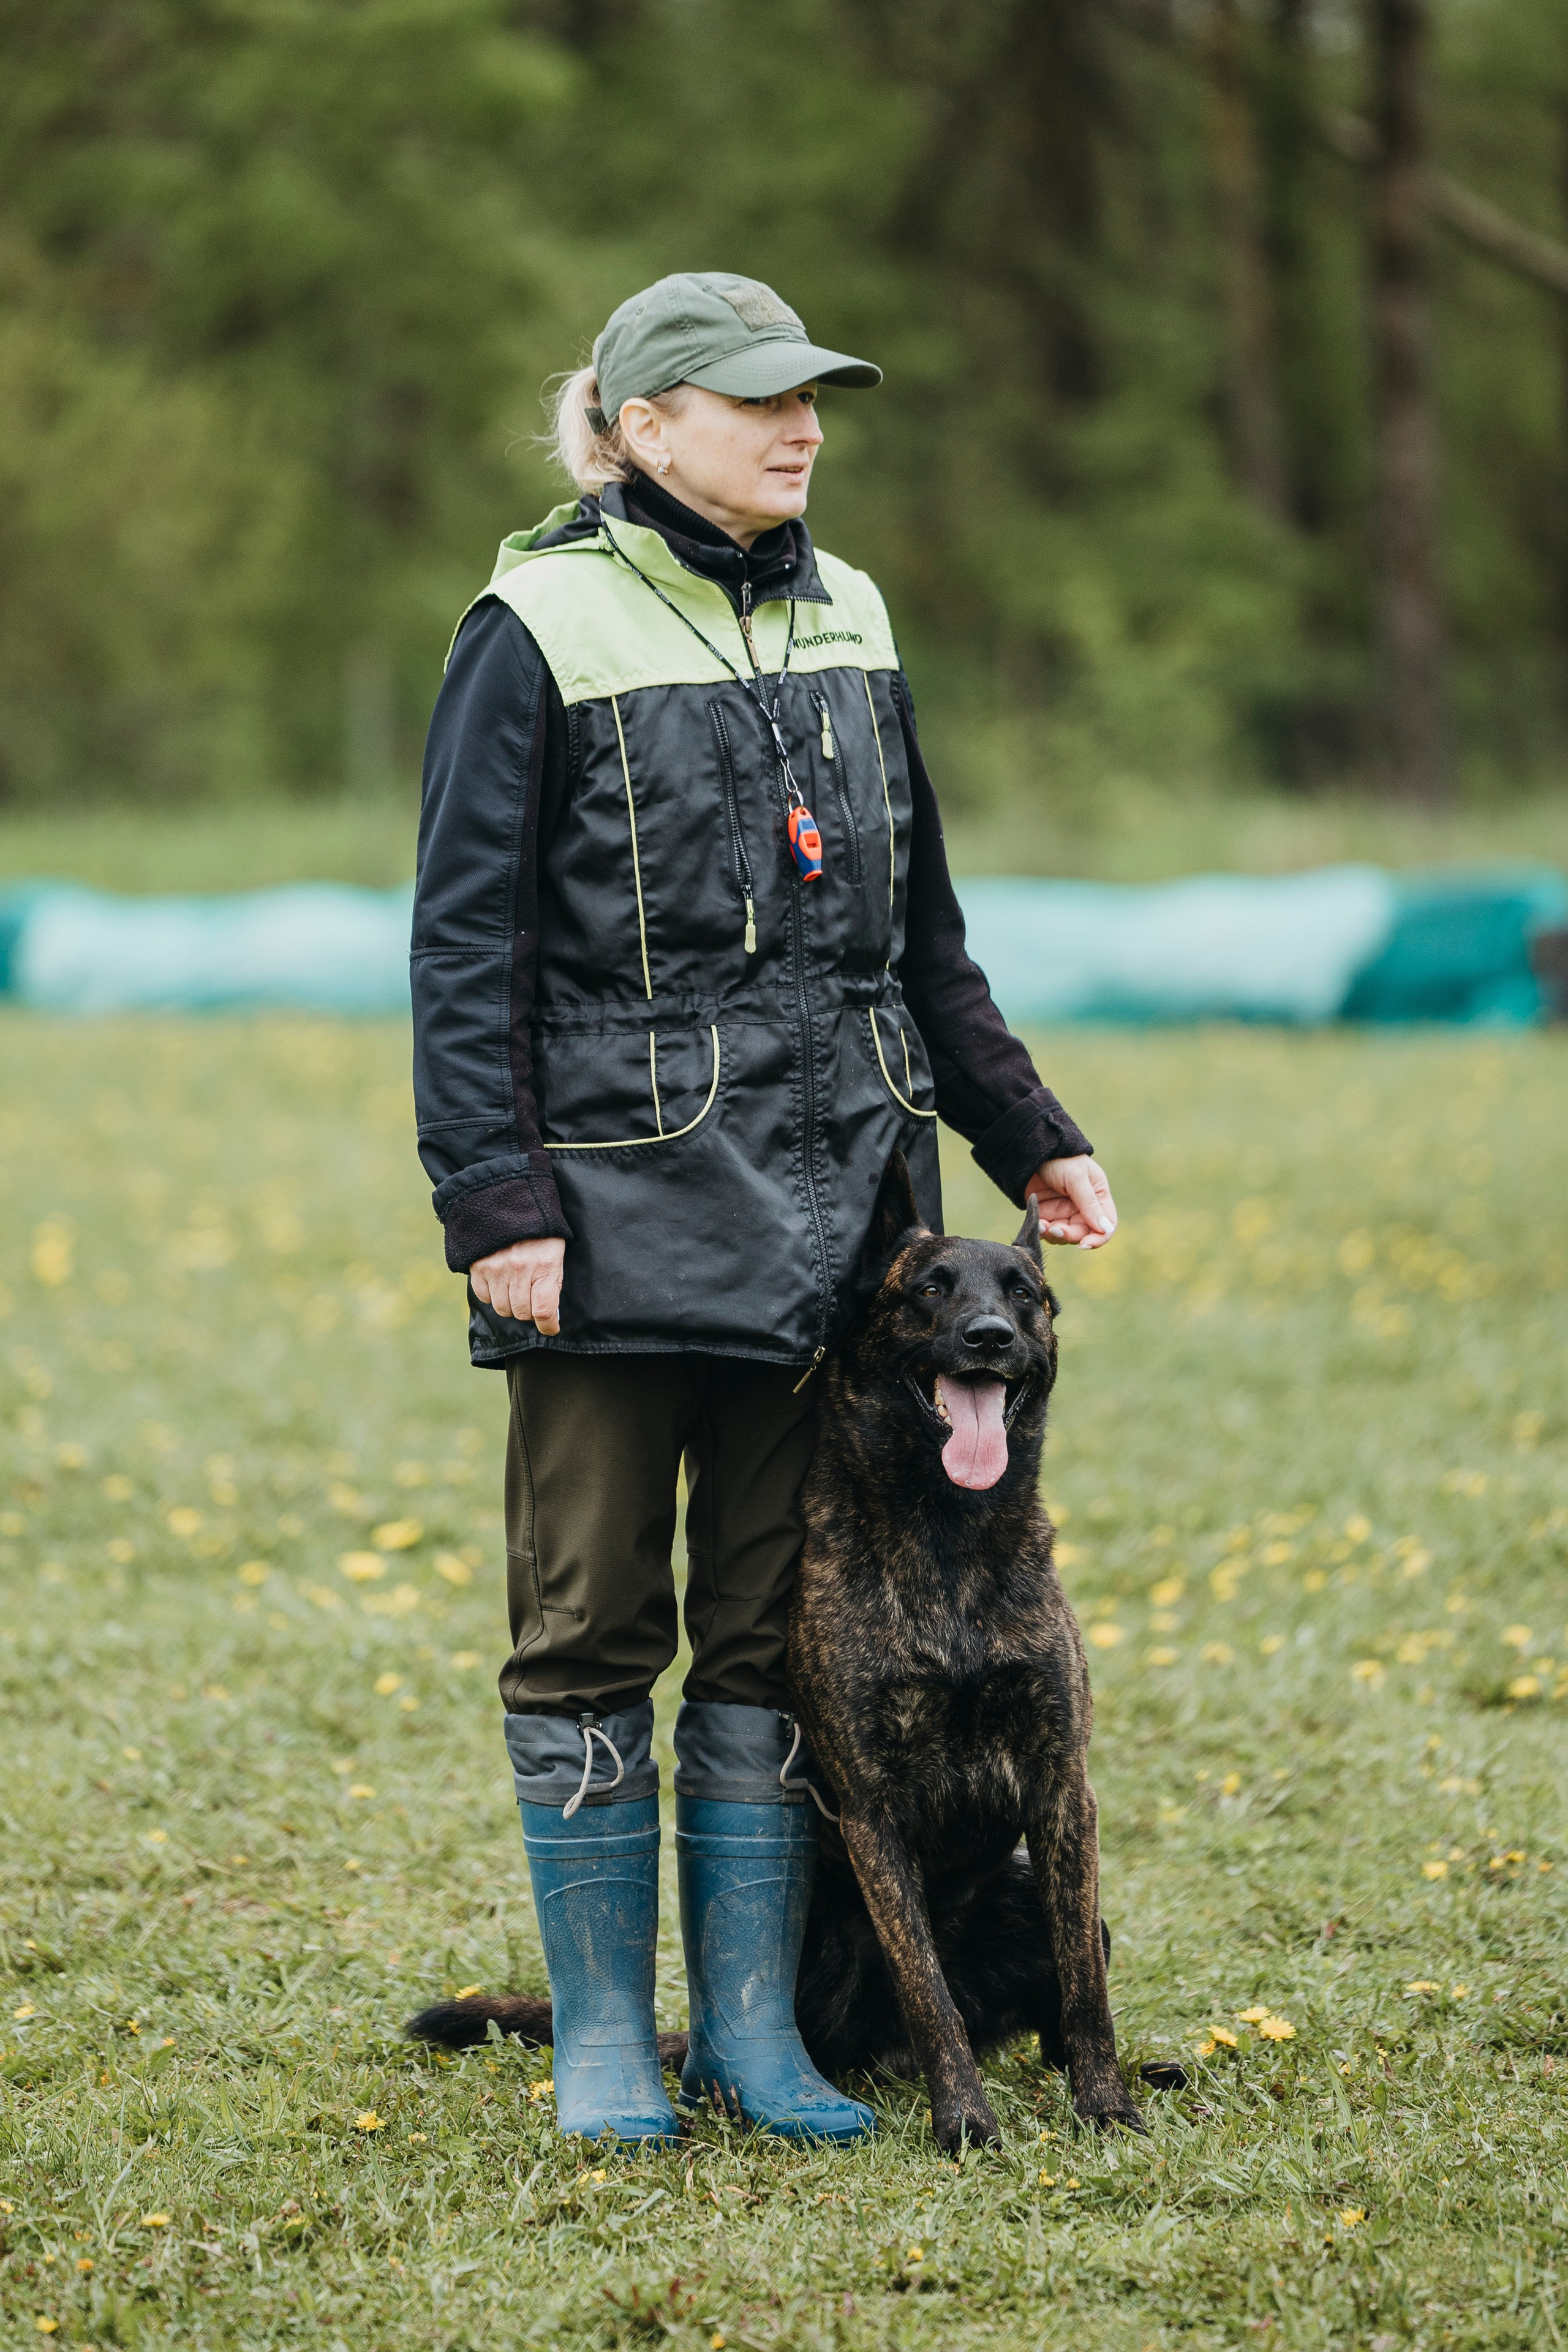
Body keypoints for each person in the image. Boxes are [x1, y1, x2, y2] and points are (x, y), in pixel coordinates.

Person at [412, 271, 1117, 2147]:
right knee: (588, 1630)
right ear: (641, 429)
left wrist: (1023, 1126)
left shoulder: (854, 608)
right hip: (606, 1220)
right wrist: (497, 1200)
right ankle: (605, 2042)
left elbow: (922, 933)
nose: (800, 429)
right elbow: (462, 946)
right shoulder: (532, 623)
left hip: (841, 1225)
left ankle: (755, 2032)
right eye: (751, 403)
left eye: (811, 400)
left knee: (762, 1638)